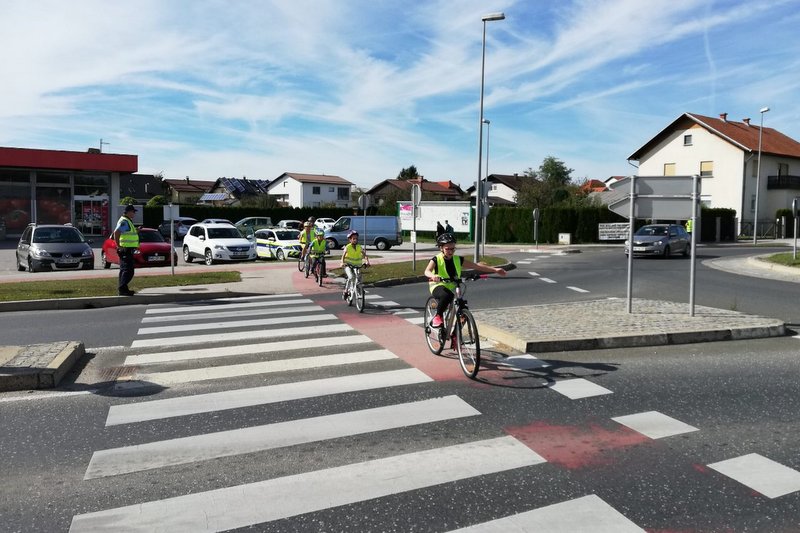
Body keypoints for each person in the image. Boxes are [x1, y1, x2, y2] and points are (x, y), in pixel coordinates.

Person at [424, 233, 506, 327]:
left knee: (463, 307)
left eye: (453, 249)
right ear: (441, 248)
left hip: (452, 285)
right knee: (447, 295)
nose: (451, 251)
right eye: (448, 249)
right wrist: (433, 276)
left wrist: (495, 270)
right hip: (437, 285)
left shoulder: (458, 259)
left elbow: (476, 266)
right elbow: (427, 271)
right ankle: (437, 317)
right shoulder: (436, 259)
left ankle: (455, 336)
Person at [113, 204, 139, 296]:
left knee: (124, 270)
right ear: (128, 212)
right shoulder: (125, 221)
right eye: (133, 212)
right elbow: (117, 232)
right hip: (125, 250)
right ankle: (122, 289)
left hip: (127, 249)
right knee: (128, 270)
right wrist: (118, 246)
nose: (134, 214)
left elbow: (126, 233)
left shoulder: (127, 221)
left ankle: (123, 288)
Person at [340, 230, 369, 299]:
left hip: (357, 265)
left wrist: (367, 261)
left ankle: (359, 290)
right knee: (350, 277)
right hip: (348, 265)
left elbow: (365, 255)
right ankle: (346, 291)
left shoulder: (359, 247)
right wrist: (342, 262)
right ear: (350, 240)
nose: (355, 240)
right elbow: (343, 256)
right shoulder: (347, 247)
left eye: (356, 239)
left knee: (359, 277)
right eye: (353, 239)